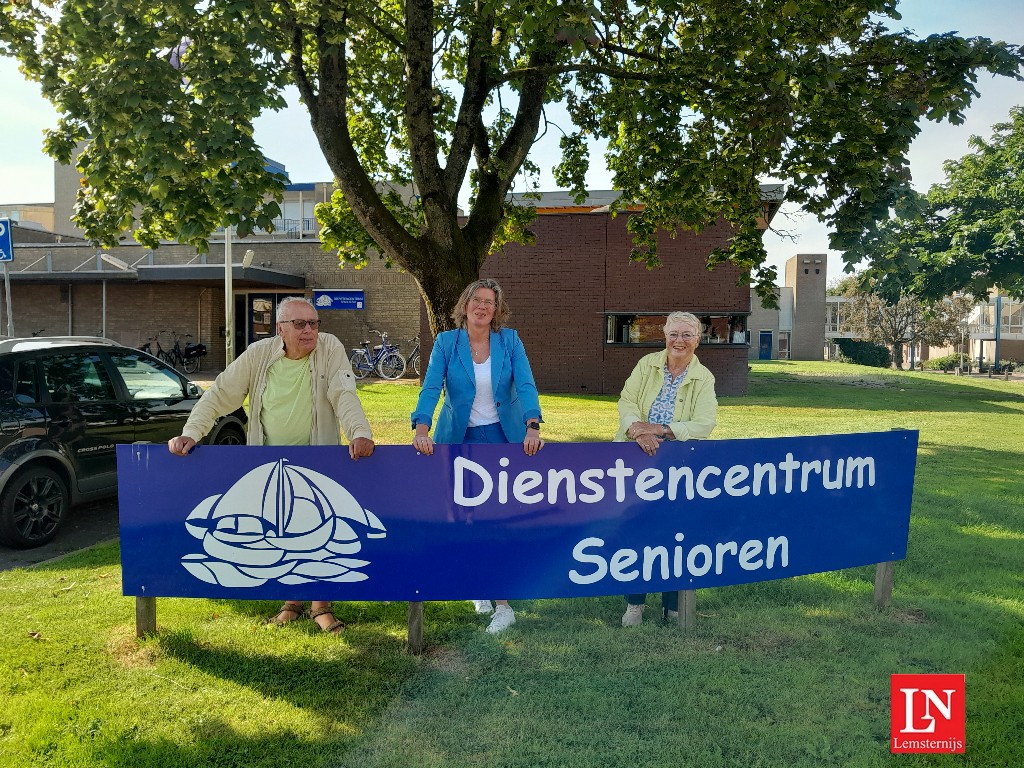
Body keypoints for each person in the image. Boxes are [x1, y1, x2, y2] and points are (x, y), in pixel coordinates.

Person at [167, 296, 375, 634]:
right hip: (266, 463)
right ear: (280, 328)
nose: (310, 330)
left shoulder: (330, 347)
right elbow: (220, 393)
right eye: (300, 324)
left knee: (315, 531)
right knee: (279, 530)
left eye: (314, 323)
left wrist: (359, 432)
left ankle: (321, 607)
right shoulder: (258, 355)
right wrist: (192, 432)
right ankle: (291, 603)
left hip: (316, 458)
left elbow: (343, 392)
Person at [410, 278, 543, 634]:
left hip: (503, 438)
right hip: (458, 439)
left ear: (497, 310)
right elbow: (431, 387)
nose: (483, 306)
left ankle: (504, 604)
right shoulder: (446, 342)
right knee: (465, 515)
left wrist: (534, 424)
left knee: (498, 518)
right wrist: (421, 427)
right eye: (476, 300)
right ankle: (480, 585)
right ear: (465, 305)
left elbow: (526, 384)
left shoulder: (509, 340)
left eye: (490, 302)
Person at [614, 311, 718, 626]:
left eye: (687, 334)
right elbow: (627, 401)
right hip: (636, 458)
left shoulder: (704, 377)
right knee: (637, 532)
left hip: (679, 466)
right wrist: (638, 430)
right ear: (665, 336)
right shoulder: (646, 364)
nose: (679, 341)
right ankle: (635, 604)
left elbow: (704, 423)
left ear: (698, 340)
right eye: (674, 334)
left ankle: (673, 605)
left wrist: (657, 430)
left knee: (677, 534)